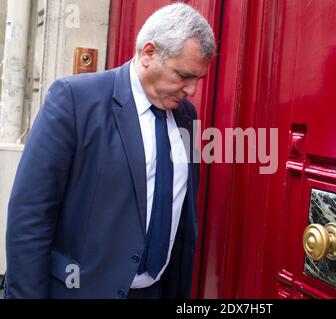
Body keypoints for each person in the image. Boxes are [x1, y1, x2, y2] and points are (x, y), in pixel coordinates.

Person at [4, 3, 215, 299]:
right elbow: (31, 214)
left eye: (198, 79)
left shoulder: (186, 117)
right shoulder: (74, 100)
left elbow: (180, 215)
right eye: (183, 75)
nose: (191, 90)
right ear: (149, 53)